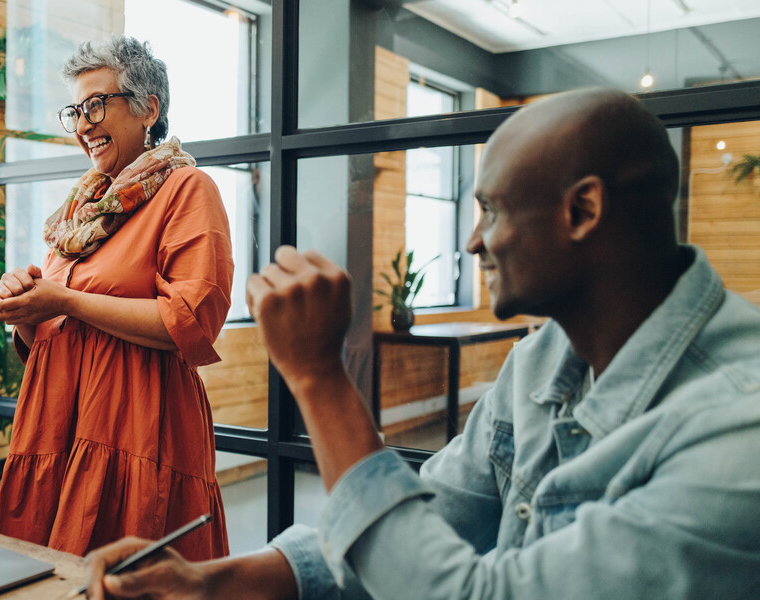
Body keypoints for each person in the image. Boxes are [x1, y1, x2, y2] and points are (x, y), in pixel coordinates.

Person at [80, 87, 760, 599]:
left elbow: (458, 592)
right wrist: (212, 581)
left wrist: (319, 379)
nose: (471, 242)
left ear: (583, 211)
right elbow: (423, 517)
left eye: (491, 210)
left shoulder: (736, 434)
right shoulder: (541, 362)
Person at [0, 35, 232, 560]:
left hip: (137, 430)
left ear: (149, 108)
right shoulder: (81, 211)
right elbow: (48, 338)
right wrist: (24, 308)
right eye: (75, 110)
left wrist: (65, 301)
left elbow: (189, 322)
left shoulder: (187, 190)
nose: (82, 125)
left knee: (130, 577)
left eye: (97, 104)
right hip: (57, 427)